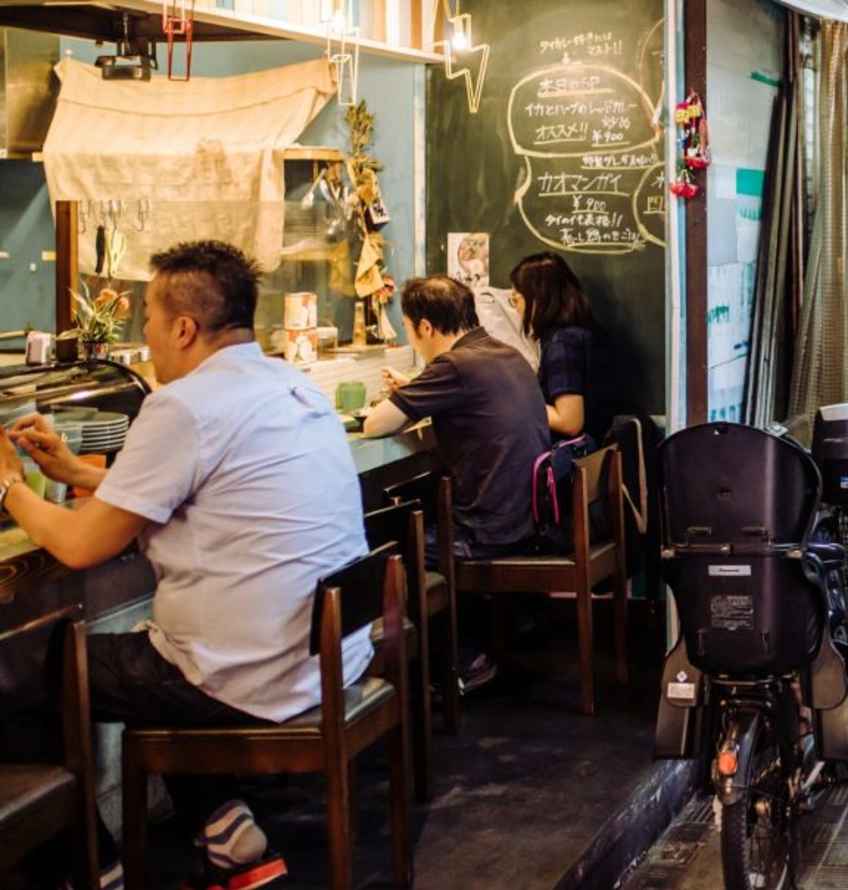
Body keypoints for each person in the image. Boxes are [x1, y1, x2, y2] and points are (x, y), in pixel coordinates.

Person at [0, 240, 371, 890]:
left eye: (146, 314)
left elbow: (81, 545)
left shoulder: (183, 405)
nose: (140, 330)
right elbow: (195, 477)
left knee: (32, 669)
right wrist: (68, 470)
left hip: (248, 674)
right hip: (326, 659)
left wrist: (10, 488)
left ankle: (90, 867)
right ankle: (228, 833)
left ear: (183, 327)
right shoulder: (287, 382)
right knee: (152, 649)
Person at [366, 275, 552, 692]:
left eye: (410, 329)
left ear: (425, 327)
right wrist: (417, 391)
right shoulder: (503, 353)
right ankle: (469, 649)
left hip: (486, 530)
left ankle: (458, 660)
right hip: (525, 517)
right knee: (420, 520)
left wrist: (410, 394)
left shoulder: (454, 365)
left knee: (388, 550)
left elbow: (378, 424)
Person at [508, 252, 608, 441]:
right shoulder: (580, 332)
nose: (516, 308)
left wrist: (516, 403)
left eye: (517, 299)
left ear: (538, 299)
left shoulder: (562, 344)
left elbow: (570, 422)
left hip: (572, 461)